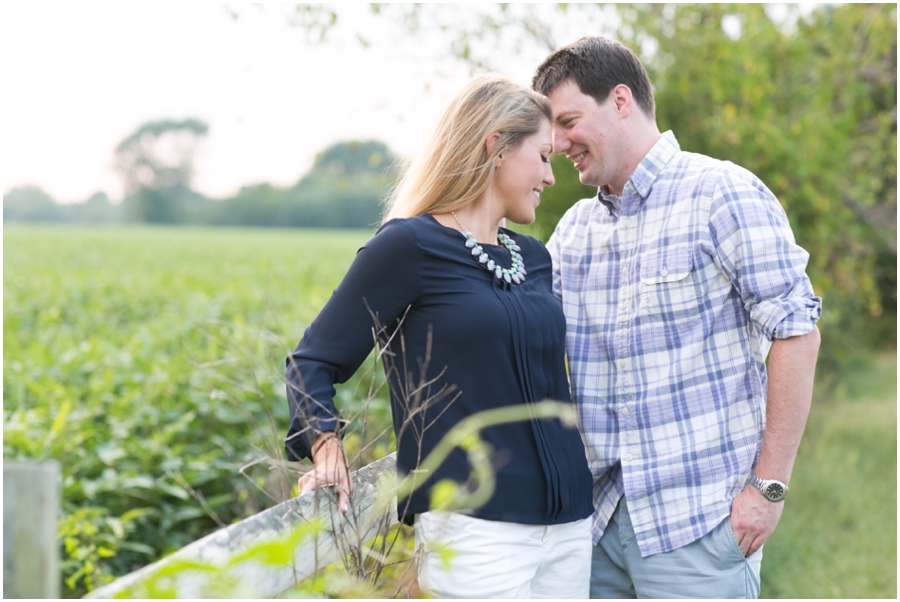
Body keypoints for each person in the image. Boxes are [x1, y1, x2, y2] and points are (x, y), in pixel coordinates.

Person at [531, 37, 822, 598]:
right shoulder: (573, 233)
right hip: (594, 527)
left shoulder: (723, 194)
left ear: (620, 101)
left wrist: (767, 490)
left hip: (699, 524)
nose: (558, 142)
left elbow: (796, 333)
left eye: (568, 120)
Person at [284, 74, 594, 599]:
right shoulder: (409, 246)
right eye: (542, 156)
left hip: (569, 526)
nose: (549, 175)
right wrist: (324, 443)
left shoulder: (534, 258)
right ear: (495, 146)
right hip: (475, 533)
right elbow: (311, 362)